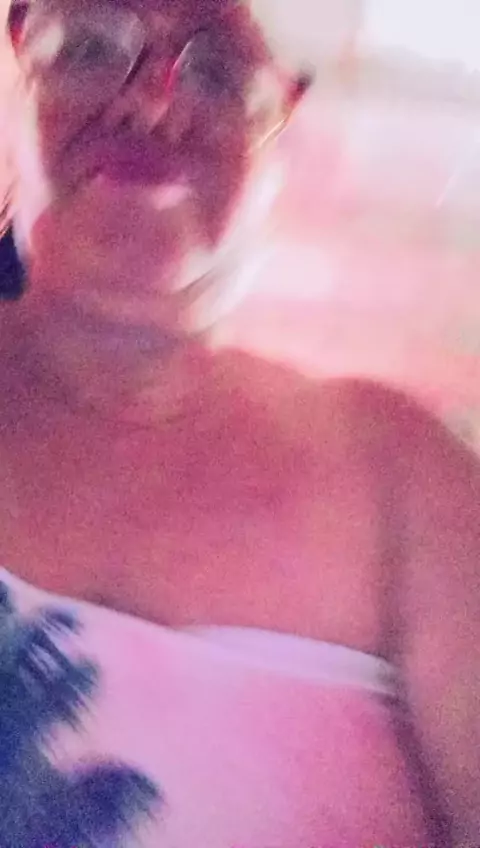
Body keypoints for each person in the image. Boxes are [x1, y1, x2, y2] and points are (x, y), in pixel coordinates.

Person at [0, 0, 479, 845]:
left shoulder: (402, 478)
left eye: (219, 73)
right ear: (17, 71)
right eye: (90, 48)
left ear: (280, 124)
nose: (152, 103)